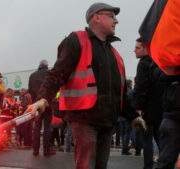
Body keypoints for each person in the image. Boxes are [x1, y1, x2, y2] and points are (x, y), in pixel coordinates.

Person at [26, 2, 126, 168]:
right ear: (97, 17)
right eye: (112, 16)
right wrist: (43, 98)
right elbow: (58, 73)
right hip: (85, 119)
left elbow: (119, 89)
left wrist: (133, 115)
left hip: (108, 121)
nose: (116, 21)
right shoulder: (77, 40)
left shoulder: (114, 53)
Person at [134, 37, 164, 169]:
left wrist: (139, 107)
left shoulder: (143, 64)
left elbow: (141, 87)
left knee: (147, 141)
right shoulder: (159, 63)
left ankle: (148, 166)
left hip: (148, 110)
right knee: (161, 141)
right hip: (162, 109)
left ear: (146, 49)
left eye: (137, 48)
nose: (134, 50)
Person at [29, 60, 56, 156]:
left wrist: (35, 103)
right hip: (47, 104)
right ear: (46, 65)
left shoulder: (32, 76)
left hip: (36, 105)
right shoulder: (49, 74)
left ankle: (35, 150)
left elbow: (31, 91)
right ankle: (46, 150)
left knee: (37, 128)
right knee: (47, 128)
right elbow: (52, 89)